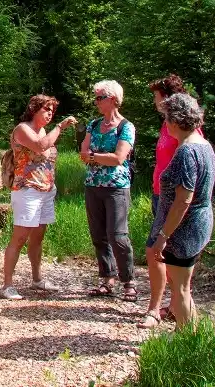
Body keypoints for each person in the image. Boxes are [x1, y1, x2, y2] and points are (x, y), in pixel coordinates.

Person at [147, 93, 215, 330]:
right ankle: (191, 335)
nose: (165, 123)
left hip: (184, 229)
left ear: (175, 121)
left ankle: (188, 341)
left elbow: (183, 200)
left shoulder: (187, 151)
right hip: (198, 223)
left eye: (166, 118)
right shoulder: (204, 145)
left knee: (181, 288)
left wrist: (162, 237)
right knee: (183, 284)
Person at [139, 74, 202, 327]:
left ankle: (160, 309)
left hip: (174, 199)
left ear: (168, 99)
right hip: (160, 193)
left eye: (156, 96)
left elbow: (188, 174)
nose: (154, 101)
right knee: (166, 255)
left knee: (158, 251)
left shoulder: (188, 134)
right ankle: (174, 308)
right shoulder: (168, 126)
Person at [1, 95, 77, 300]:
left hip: (45, 191)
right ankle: (7, 285)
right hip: (27, 190)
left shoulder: (44, 131)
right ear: (34, 109)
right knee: (19, 237)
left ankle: (36, 279)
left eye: (52, 110)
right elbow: (40, 146)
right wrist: (60, 127)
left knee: (38, 237)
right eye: (46, 109)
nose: (50, 113)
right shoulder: (22, 129)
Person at [79, 80, 137, 301]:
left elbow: (119, 158)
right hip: (93, 185)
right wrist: (97, 157)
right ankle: (107, 279)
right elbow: (83, 152)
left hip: (116, 188)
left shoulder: (126, 127)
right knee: (99, 235)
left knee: (118, 235)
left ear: (113, 99)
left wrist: (94, 156)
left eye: (99, 97)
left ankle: (129, 281)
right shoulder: (93, 125)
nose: (96, 102)